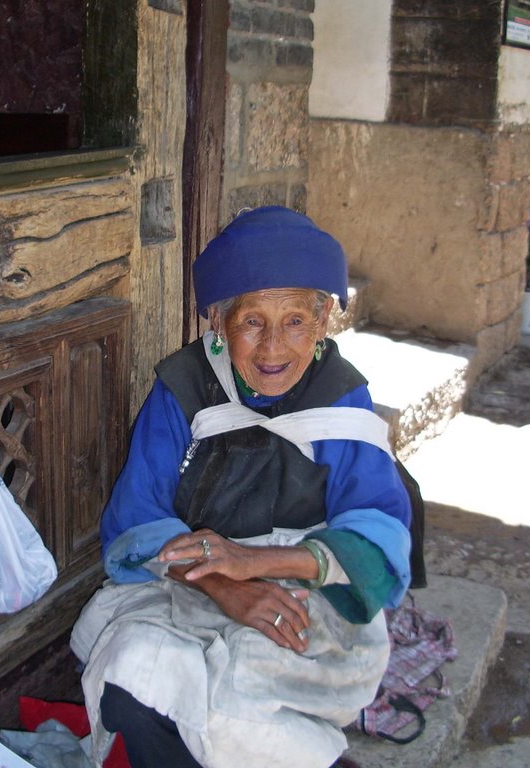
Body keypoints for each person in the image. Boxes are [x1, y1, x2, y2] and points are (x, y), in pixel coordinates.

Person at [70, 206, 413, 768]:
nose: (273, 349)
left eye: (295, 321)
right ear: (217, 321)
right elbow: (136, 516)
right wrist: (225, 585)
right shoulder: (184, 387)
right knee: (131, 673)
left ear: (323, 319)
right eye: (252, 321)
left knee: (243, 700)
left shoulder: (342, 394)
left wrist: (252, 564)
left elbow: (377, 540)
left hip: (301, 594)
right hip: (184, 585)